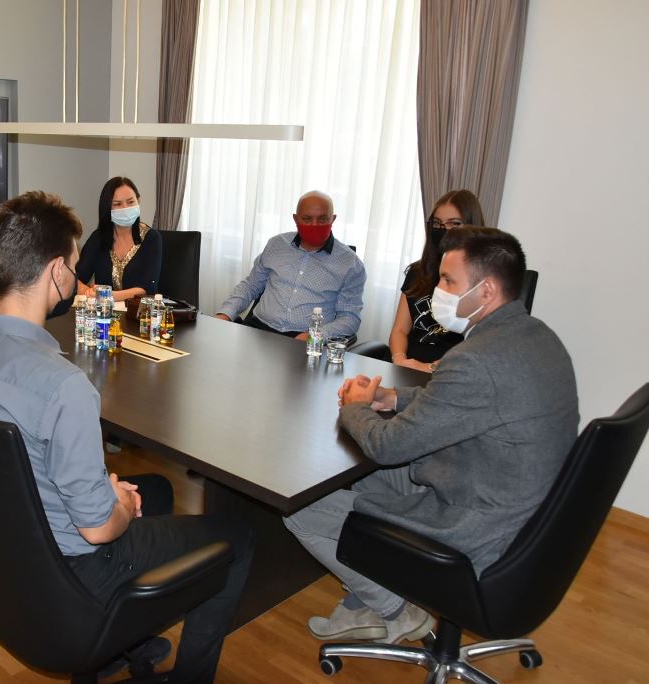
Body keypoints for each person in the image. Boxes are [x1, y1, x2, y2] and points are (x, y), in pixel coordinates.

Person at [0, 190, 253, 683]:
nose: (76, 276)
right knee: (238, 537)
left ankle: (127, 646)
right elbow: (99, 530)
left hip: (3, 557)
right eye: (74, 265)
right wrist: (115, 503)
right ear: (56, 272)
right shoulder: (63, 386)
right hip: (75, 572)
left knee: (155, 491)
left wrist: (109, 493)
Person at [283, 227, 578, 645]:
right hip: (527, 515)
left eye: (448, 281)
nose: (438, 291)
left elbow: (387, 447)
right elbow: (463, 400)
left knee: (302, 508)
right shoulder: (537, 337)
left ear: (487, 290)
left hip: (478, 526)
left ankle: (395, 610)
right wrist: (391, 397)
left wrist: (355, 408)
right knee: (363, 479)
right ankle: (371, 592)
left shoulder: (476, 359)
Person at [215, 191, 366, 341]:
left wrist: (314, 336)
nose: (314, 225)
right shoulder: (276, 244)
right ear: (296, 219)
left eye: (322, 219)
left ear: (333, 219)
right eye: (307, 219)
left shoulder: (350, 264)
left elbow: (350, 318)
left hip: (305, 338)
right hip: (258, 329)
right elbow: (251, 286)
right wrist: (226, 313)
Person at [389, 189, 485, 372]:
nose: (444, 230)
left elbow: (479, 347)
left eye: (454, 224)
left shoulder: (482, 279)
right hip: (408, 367)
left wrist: (429, 367)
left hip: (453, 373)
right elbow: (399, 330)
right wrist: (400, 359)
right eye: (438, 224)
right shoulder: (418, 271)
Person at [75, 176, 162, 302]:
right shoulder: (98, 238)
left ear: (138, 201)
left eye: (131, 202)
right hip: (103, 312)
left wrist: (105, 295)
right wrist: (86, 291)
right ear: (107, 208)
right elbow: (75, 278)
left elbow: (148, 288)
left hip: (138, 312)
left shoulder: (151, 238)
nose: (125, 208)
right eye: (118, 204)